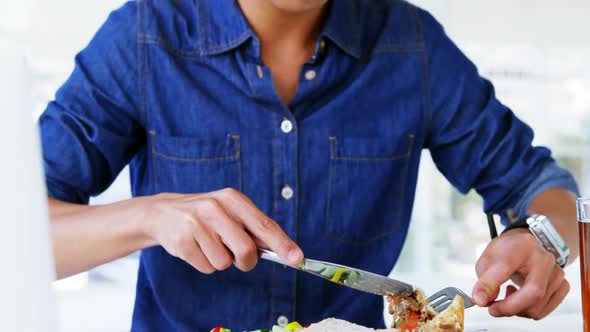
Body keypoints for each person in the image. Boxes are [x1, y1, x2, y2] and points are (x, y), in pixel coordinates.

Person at [40, 0, 580, 331]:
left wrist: (544, 241)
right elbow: (17, 236)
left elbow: (543, 187)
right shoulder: (141, 36)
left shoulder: (412, 44)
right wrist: (149, 217)